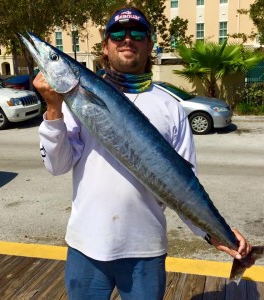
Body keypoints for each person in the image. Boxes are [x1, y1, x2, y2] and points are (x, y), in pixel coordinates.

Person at [33, 6, 251, 300]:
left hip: (146, 251)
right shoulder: (74, 99)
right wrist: (53, 108)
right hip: (86, 246)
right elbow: (57, 166)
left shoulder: (170, 106)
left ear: (149, 45)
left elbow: (183, 183)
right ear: (106, 46)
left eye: (137, 33)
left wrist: (213, 233)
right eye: (117, 33)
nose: (127, 39)